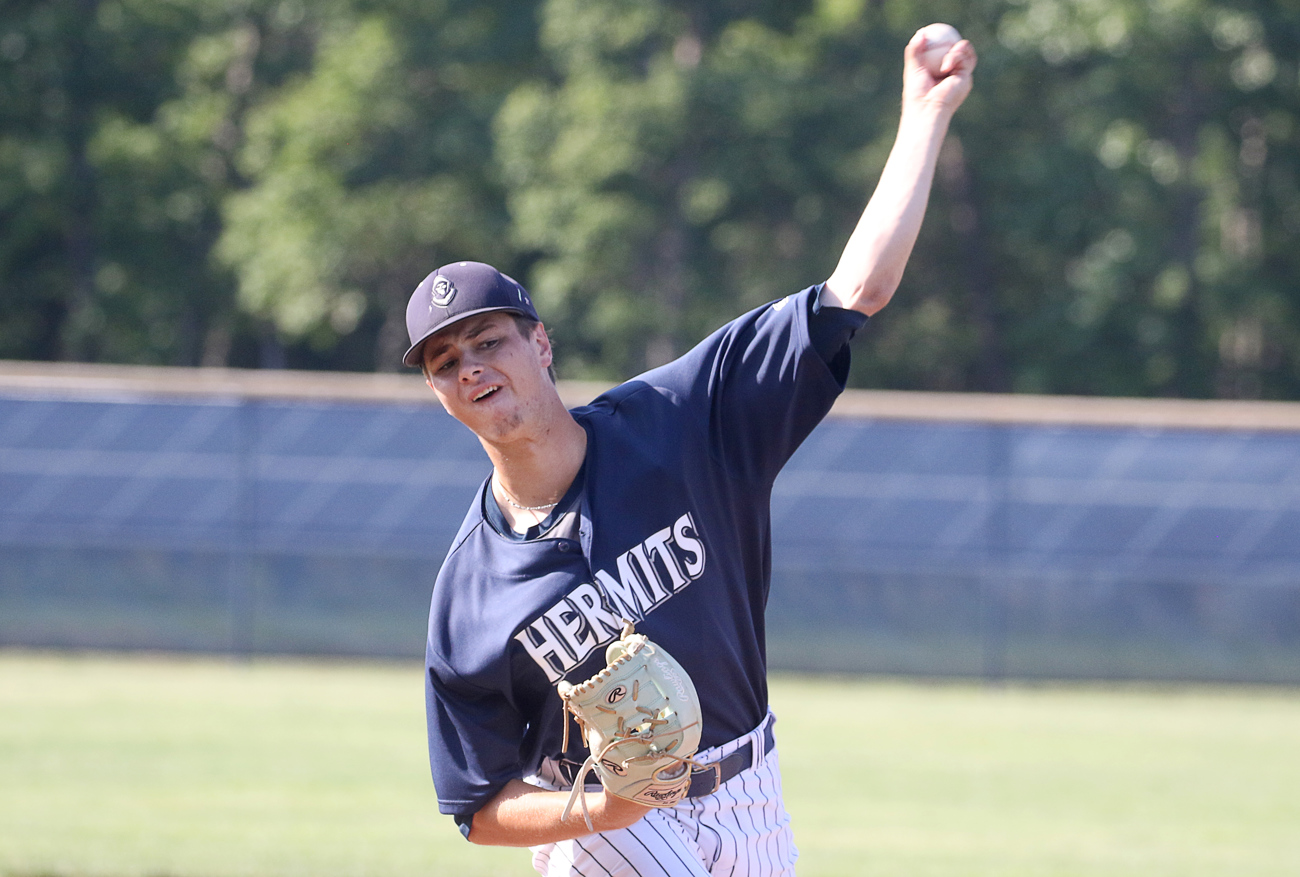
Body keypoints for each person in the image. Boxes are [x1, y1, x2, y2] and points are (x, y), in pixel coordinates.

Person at [410, 29, 976, 877]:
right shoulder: (471, 591)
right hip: (604, 824)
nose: (471, 368)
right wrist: (612, 804)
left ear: (542, 344)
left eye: (488, 341)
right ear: (439, 394)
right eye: (446, 363)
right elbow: (477, 807)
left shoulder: (682, 419)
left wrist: (924, 117)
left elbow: (857, 291)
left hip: (752, 783)